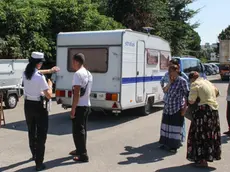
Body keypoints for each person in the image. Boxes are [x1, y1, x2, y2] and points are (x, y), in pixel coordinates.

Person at [23, 52, 53, 171]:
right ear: (38, 63)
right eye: (41, 62)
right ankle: (39, 163)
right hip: (39, 106)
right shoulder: (40, 78)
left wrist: (50, 70)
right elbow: (49, 95)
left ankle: (34, 154)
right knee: (41, 134)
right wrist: (50, 84)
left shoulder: (25, 73)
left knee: (31, 130)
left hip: (28, 105)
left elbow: (38, 73)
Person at [187, 71, 221, 167]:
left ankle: (202, 160)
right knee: (210, 134)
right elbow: (217, 93)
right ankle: (210, 156)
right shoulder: (208, 82)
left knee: (200, 135)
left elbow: (191, 100)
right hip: (213, 111)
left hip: (203, 112)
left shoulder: (195, 84)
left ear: (192, 78)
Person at [159, 65, 189, 153]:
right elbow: (164, 90)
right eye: (169, 71)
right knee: (166, 126)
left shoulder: (182, 81)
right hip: (168, 107)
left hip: (176, 107)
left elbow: (186, 94)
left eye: (172, 71)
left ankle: (174, 146)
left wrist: (184, 108)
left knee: (175, 128)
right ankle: (166, 143)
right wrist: (170, 82)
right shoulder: (170, 80)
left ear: (177, 71)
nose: (170, 73)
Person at [70, 53, 93, 162]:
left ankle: (83, 155)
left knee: (78, 131)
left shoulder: (77, 74)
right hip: (86, 104)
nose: (72, 64)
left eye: (73, 62)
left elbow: (77, 93)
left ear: (76, 62)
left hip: (79, 106)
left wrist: (73, 108)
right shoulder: (88, 74)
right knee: (82, 130)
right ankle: (79, 149)